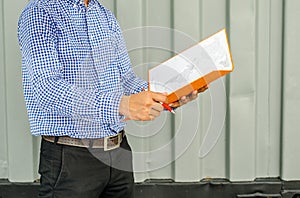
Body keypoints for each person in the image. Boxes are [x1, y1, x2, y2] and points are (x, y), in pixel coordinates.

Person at [18, 0, 207, 197]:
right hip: (71, 159)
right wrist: (121, 104)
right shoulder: (39, 13)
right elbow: (46, 88)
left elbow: (125, 78)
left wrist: (166, 94)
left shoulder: (104, 16)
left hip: (118, 154)